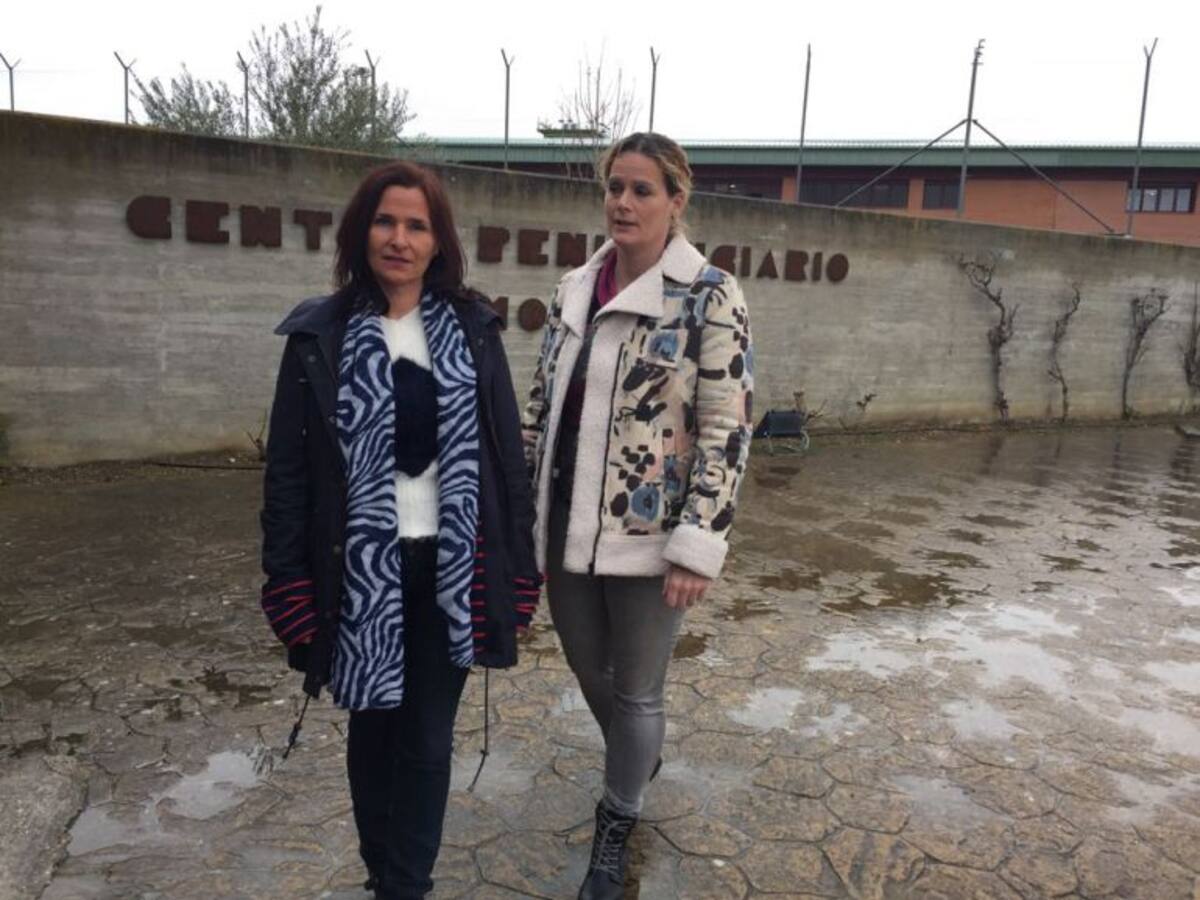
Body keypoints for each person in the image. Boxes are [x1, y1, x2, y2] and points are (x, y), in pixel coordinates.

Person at [259, 161, 539, 900]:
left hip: (452, 569)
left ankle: (406, 886)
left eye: (417, 225)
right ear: (361, 231)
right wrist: (286, 584)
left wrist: (519, 569)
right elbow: (287, 475)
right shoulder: (319, 335)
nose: (399, 239)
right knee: (372, 730)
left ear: (438, 241)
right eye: (386, 221)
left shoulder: (473, 331)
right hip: (358, 574)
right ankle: (382, 872)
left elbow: (507, 462)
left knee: (425, 738)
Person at [522, 132, 754, 899]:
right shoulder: (573, 288)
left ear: (676, 201)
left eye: (642, 189)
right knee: (590, 669)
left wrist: (700, 540)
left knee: (637, 691)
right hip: (564, 525)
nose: (623, 202)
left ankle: (615, 823)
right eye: (614, 187)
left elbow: (727, 426)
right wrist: (517, 504)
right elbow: (539, 405)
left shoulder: (709, 294)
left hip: (650, 535)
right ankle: (637, 757)